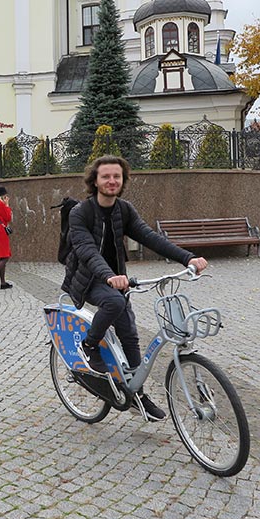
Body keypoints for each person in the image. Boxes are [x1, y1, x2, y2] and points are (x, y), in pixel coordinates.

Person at [61, 156, 208, 421]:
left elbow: (150, 236)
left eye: (116, 176)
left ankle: (136, 393)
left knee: (130, 334)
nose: (111, 181)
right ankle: (89, 345)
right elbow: (87, 250)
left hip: (117, 280)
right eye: (105, 176)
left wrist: (188, 258)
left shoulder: (124, 210)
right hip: (88, 279)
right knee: (114, 303)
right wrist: (109, 276)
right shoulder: (80, 212)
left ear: (123, 180)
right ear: (95, 181)